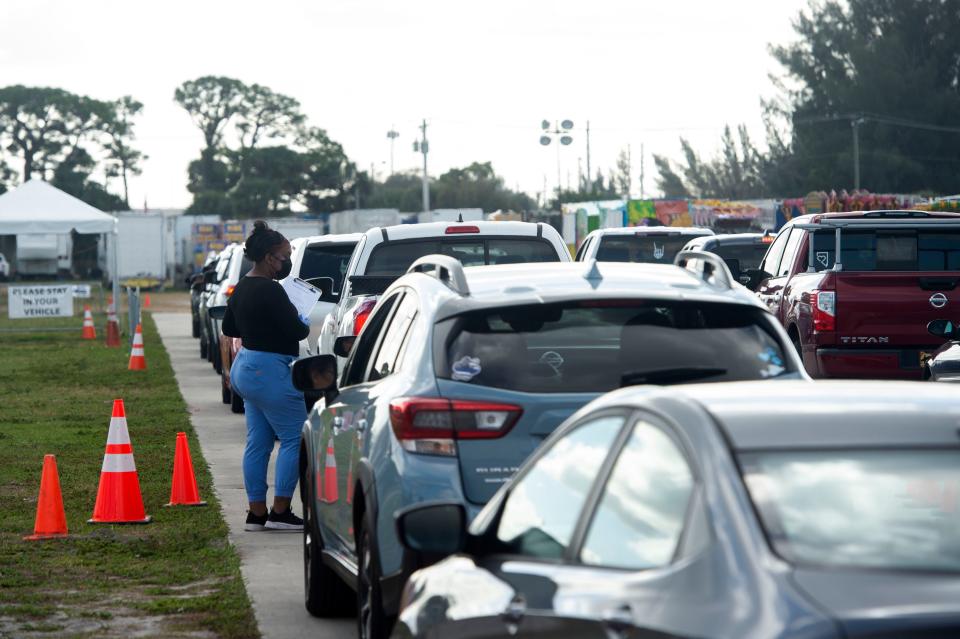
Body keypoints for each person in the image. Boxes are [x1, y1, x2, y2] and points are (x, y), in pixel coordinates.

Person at [223, 221, 310, 532]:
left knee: (258, 442)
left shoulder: (243, 286)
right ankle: (281, 510)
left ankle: (256, 512)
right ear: (270, 257)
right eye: (285, 256)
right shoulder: (272, 290)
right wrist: (299, 315)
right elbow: (299, 330)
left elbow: (229, 329)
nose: (287, 261)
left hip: (246, 368)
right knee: (294, 438)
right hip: (270, 371)